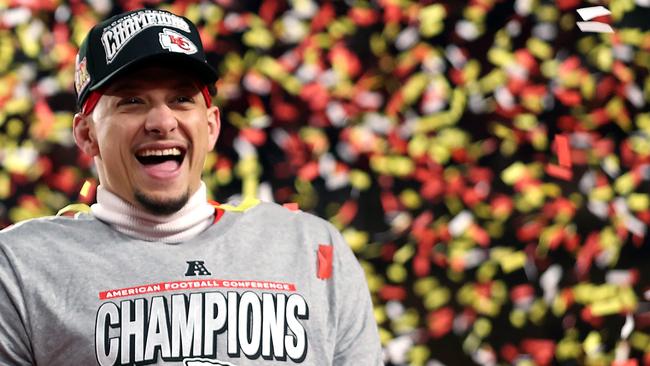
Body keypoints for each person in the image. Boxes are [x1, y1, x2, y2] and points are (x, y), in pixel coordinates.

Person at [0, 8, 382, 366]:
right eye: (132, 101)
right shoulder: (20, 267)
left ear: (211, 125)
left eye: (182, 99)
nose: (162, 121)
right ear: (87, 135)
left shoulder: (312, 248)